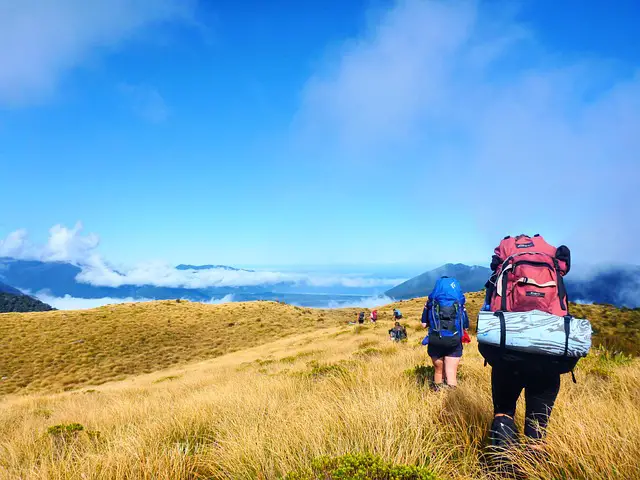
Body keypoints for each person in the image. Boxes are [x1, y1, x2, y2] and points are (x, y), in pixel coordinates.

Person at [480, 234, 573, 452]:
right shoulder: (552, 260)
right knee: (537, 428)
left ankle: (502, 469)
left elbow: (490, 305)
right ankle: (534, 470)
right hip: (548, 354)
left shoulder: (505, 255)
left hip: (508, 354)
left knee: (504, 413)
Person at [421, 276, 469, 389]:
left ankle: (437, 396)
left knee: (438, 371)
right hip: (454, 340)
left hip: (435, 340)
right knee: (451, 373)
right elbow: (465, 327)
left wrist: (426, 310)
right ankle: (452, 401)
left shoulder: (431, 303)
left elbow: (423, 325)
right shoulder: (459, 304)